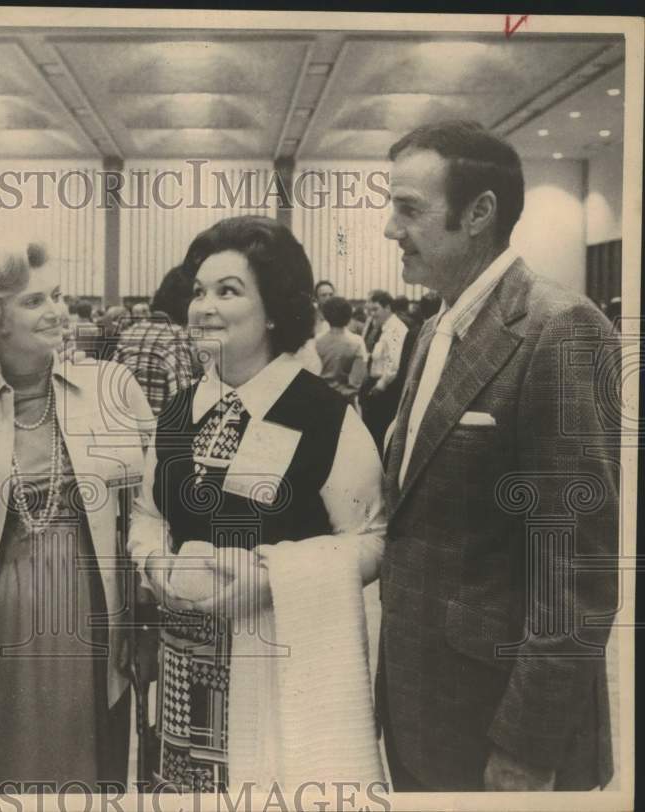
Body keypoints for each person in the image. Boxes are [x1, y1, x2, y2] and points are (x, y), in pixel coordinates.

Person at [378, 120, 619, 791]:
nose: (389, 229)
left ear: (479, 212)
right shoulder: (431, 332)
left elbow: (577, 573)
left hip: (497, 729)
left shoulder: (560, 328)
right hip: (419, 708)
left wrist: (527, 746)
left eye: (409, 209)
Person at [129, 216, 386, 792]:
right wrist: (154, 564)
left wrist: (278, 580)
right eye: (198, 291)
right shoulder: (179, 411)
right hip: (182, 670)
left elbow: (375, 538)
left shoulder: (323, 414)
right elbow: (148, 513)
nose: (204, 307)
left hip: (280, 665)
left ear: (274, 310)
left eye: (228, 291)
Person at [0, 241, 154, 794]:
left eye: (56, 296)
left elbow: (148, 509)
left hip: (90, 608)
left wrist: (145, 609)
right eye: (34, 301)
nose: (57, 310)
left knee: (80, 766)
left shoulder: (112, 387)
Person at [113, 266, 196, 416]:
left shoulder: (129, 334)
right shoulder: (175, 336)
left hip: (126, 427)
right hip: (159, 432)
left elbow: (112, 386)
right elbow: (182, 400)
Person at [359, 289, 408, 450]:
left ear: (387, 307)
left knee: (379, 436)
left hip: (384, 391)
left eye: (375, 310)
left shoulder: (396, 329)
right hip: (376, 387)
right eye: (369, 310)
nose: (371, 314)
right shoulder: (383, 327)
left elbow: (393, 364)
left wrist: (379, 387)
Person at [315, 296, 369, 406]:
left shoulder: (316, 341)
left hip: (320, 400)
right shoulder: (357, 342)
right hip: (346, 403)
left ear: (326, 316)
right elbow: (358, 381)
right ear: (349, 316)